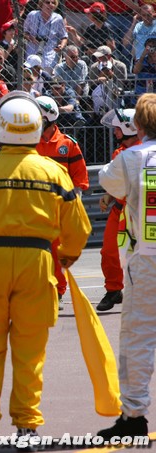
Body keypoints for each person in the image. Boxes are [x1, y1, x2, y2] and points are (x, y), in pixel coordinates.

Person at [0, 91, 91, 444]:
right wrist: (66, 258)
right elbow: (79, 228)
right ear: (37, 129)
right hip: (37, 263)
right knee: (30, 350)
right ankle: (27, 424)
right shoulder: (54, 172)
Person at [96, 92, 156, 440]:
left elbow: (107, 180)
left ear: (138, 126)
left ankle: (134, 415)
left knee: (138, 338)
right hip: (145, 258)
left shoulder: (131, 158)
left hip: (146, 259)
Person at [35, 95, 89, 307]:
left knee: (57, 252)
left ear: (48, 117)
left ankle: (57, 291)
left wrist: (73, 208)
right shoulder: (30, 143)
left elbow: (79, 178)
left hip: (60, 208)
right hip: (36, 206)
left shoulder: (68, 144)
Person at [96, 108, 140, 312]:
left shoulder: (145, 149)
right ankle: (114, 290)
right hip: (120, 208)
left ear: (128, 128)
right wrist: (108, 195)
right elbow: (116, 180)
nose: (115, 132)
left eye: (117, 129)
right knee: (108, 251)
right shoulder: (119, 152)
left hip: (141, 209)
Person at [23, 0, 68, 71]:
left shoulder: (58, 18)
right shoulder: (32, 15)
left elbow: (64, 36)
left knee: (47, 79)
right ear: (41, 4)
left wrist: (61, 46)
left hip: (49, 57)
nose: (50, 5)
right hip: (32, 55)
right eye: (47, 2)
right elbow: (24, 32)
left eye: (53, 3)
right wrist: (31, 38)